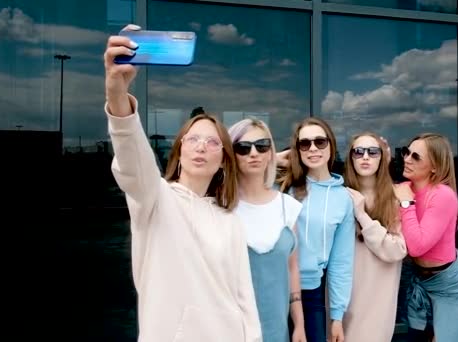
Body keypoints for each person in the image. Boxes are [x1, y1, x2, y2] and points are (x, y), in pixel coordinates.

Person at [103, 25, 261, 342]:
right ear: (179, 149)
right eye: (193, 139)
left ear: (224, 161)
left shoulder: (230, 219)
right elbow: (133, 159)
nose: (201, 146)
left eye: (213, 143)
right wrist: (116, 94)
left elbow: (244, 298)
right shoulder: (155, 200)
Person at [394, 133, 458, 342]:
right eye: (407, 152)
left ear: (434, 166)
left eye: (416, 157)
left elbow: (417, 247)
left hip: (450, 288)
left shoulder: (442, 195)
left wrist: (406, 204)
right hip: (421, 282)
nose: (407, 159)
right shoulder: (403, 190)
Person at [228, 118, 307, 342]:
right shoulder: (221, 208)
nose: (254, 153)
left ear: (270, 152)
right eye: (243, 148)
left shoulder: (287, 207)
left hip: (277, 329)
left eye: (262, 146)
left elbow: (292, 268)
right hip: (231, 330)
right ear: (231, 154)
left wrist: (299, 324)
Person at [278, 117, 355, 342]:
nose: (313, 148)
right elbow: (236, 172)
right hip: (275, 288)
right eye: (305, 143)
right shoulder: (283, 186)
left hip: (311, 294)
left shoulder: (343, 198)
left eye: (320, 142)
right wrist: (273, 160)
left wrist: (337, 316)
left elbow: (342, 262)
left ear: (330, 145)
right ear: (297, 150)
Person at [342, 132, 407, 342]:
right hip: (343, 298)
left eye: (373, 151)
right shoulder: (341, 196)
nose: (365, 157)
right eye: (358, 152)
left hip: (379, 299)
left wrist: (362, 216)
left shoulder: (395, 197)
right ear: (350, 158)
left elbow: (397, 250)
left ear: (382, 157)